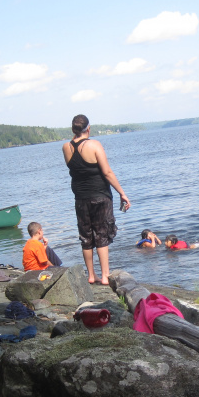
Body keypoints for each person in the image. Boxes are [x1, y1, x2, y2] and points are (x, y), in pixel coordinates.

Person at [63, 114, 130, 285]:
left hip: (80, 198)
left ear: (73, 129)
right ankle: (105, 276)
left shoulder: (66, 147)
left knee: (85, 237)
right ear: (89, 128)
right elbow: (107, 172)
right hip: (100, 196)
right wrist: (122, 193)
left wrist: (75, 136)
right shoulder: (94, 145)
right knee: (101, 235)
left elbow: (76, 169)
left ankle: (91, 276)